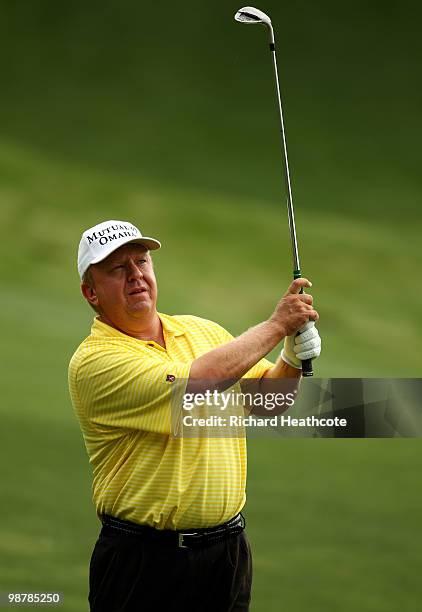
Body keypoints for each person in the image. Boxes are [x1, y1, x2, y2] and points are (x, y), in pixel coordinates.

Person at [68, 219, 321, 612]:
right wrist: (276, 326)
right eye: (118, 269)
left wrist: (290, 353)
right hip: (143, 561)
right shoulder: (96, 362)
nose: (136, 276)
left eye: (141, 262)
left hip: (227, 556)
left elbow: (270, 401)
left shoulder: (201, 332)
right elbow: (199, 382)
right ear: (91, 292)